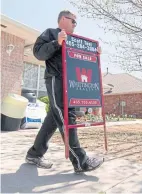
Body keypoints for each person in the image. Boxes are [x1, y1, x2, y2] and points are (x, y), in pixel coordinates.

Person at [25, 10, 103, 174]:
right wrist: (56, 43)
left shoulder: (75, 41)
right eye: (73, 21)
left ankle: (34, 154)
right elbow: (38, 53)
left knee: (54, 118)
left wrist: (94, 54)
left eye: (76, 22)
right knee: (67, 115)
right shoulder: (50, 33)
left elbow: (81, 60)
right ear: (62, 19)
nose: (75, 24)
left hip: (70, 84)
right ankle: (81, 162)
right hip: (56, 79)